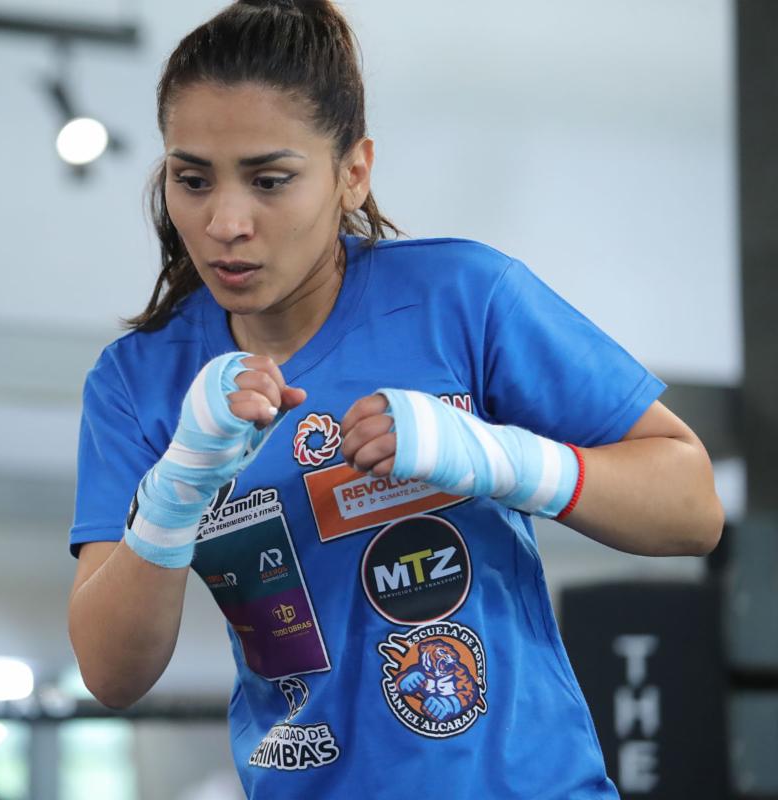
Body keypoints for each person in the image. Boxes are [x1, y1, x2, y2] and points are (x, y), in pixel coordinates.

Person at [66, 1, 723, 796]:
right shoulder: (138, 382)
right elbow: (111, 674)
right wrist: (174, 494)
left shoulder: (461, 297)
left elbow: (693, 508)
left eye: (270, 180)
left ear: (353, 172)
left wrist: (500, 458)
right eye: (193, 179)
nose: (226, 222)